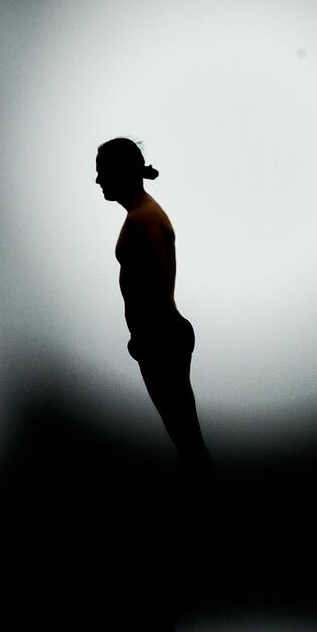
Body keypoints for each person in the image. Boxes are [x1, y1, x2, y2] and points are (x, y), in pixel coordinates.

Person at [95, 137, 210, 476]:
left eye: (102, 172)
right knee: (184, 436)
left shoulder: (143, 220)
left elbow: (156, 285)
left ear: (121, 173)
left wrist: (146, 337)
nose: (98, 180)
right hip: (158, 339)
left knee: (186, 438)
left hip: (162, 339)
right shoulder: (140, 216)